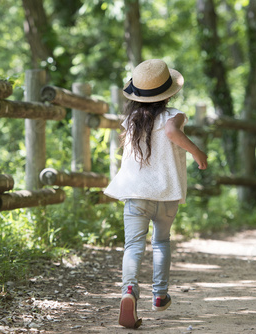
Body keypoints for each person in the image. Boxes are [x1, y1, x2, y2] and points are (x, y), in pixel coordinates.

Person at [104, 59, 208, 329]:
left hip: (136, 194)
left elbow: (125, 145)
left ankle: (129, 290)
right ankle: (159, 296)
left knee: (133, 245)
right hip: (166, 194)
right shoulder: (175, 115)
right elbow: (172, 132)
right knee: (161, 242)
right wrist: (197, 152)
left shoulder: (130, 120)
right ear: (169, 93)